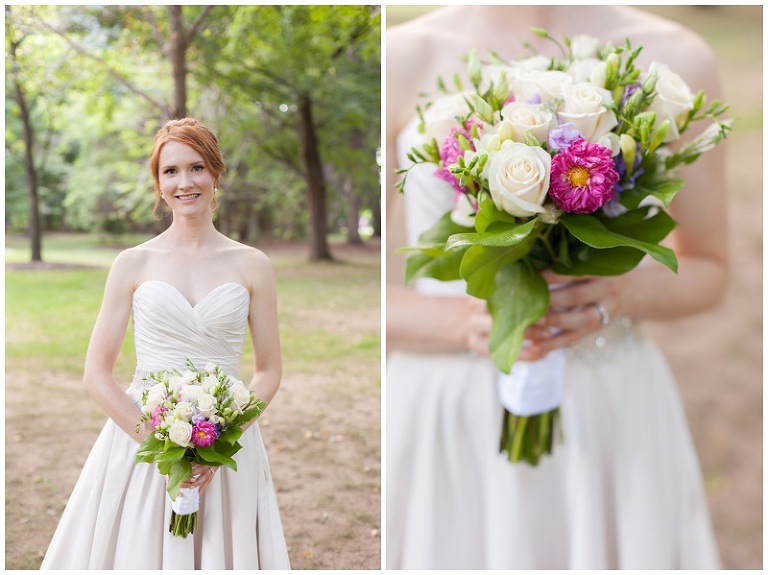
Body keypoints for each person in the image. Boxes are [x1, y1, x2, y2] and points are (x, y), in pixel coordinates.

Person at [386, 5, 725, 570]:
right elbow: (368, 292)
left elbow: (710, 269)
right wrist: (471, 324)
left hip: (609, 410)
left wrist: (618, 295)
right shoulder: (401, 54)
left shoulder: (677, 56)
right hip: (444, 408)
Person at [41, 118, 291, 569]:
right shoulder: (132, 263)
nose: (184, 182)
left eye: (196, 167)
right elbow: (96, 374)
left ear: (216, 173)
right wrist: (166, 449)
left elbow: (268, 370)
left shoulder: (254, 265)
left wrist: (219, 446)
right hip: (142, 440)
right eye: (170, 171)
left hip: (226, 443)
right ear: (158, 183)